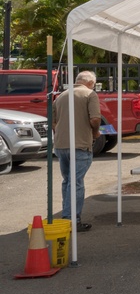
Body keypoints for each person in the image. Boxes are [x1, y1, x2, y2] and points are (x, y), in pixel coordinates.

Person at [52, 70, 101, 231]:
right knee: (76, 182)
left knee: (67, 181)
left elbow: (53, 121)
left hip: (61, 145)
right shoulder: (90, 94)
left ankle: (67, 215)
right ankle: (71, 219)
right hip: (80, 144)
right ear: (90, 83)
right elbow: (95, 118)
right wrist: (95, 132)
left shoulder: (61, 96)